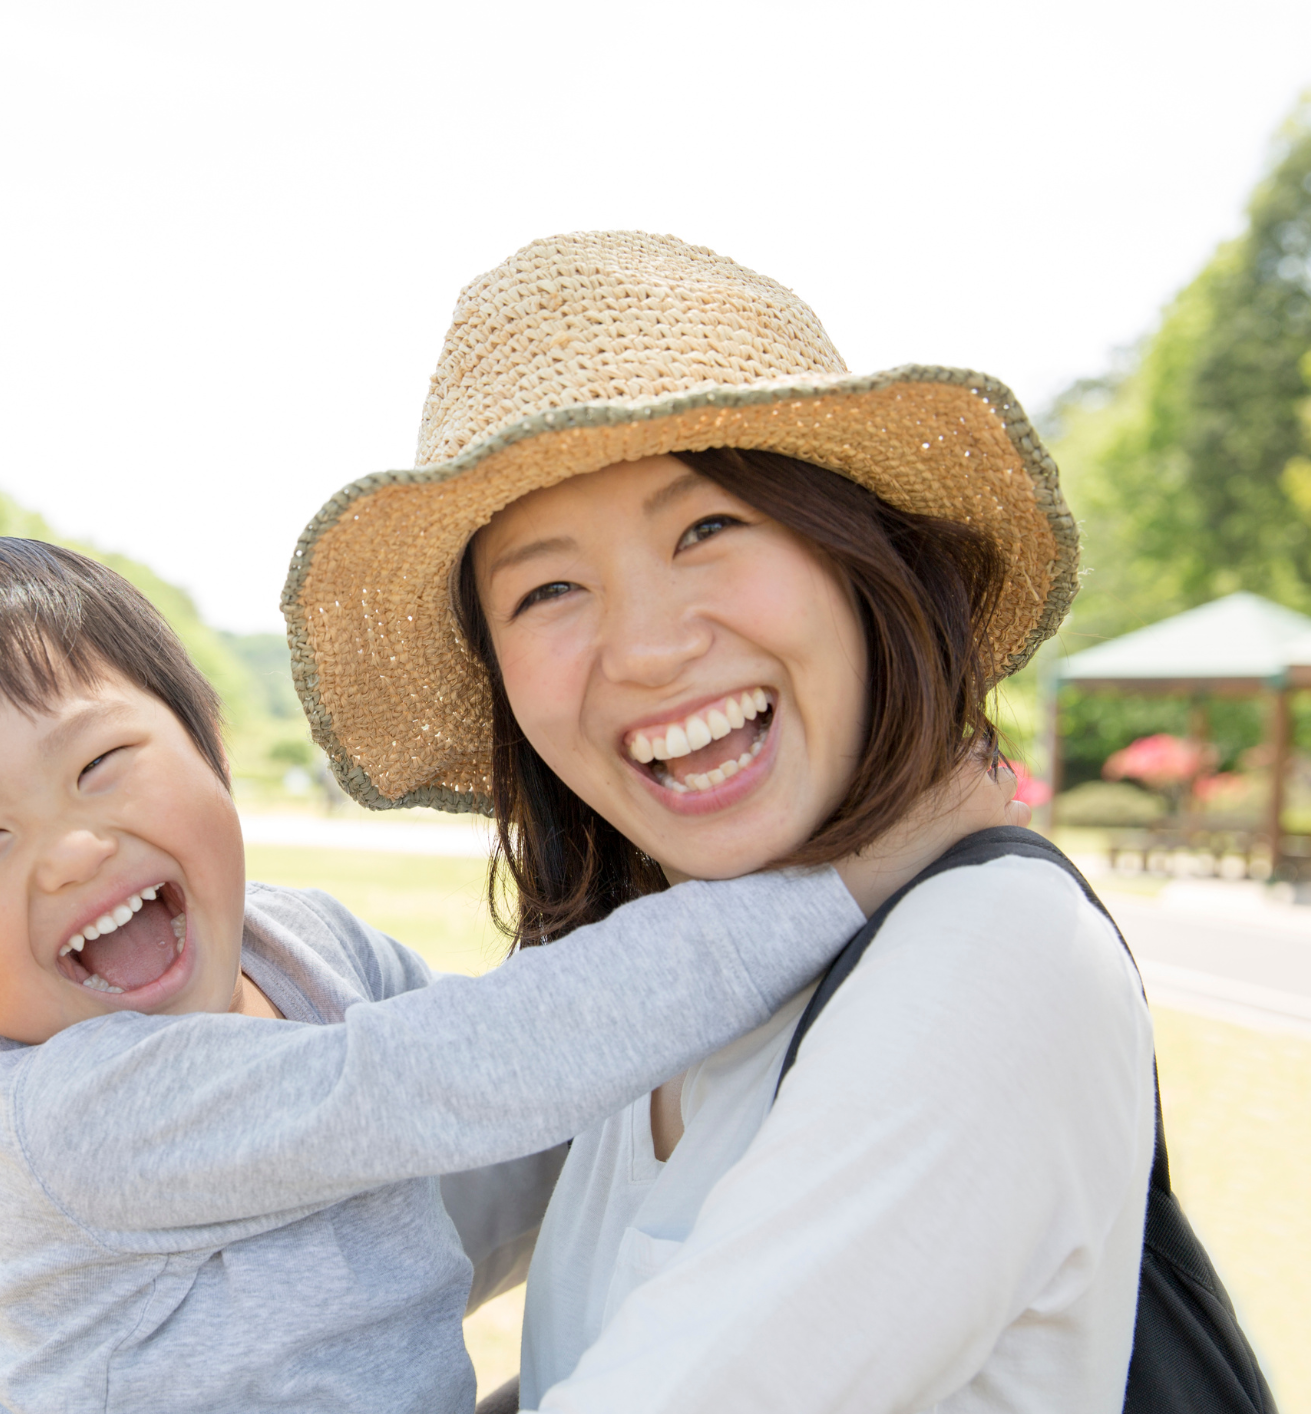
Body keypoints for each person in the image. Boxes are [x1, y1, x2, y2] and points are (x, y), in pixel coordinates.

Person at [0, 535, 1012, 1414]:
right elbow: (455, 1073)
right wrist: (853, 869)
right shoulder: (84, 1115)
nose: (71, 846)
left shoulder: (311, 949)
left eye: (100, 764)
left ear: (209, 743)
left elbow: (513, 1140)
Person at [281, 231, 1159, 1412]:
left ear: (860, 559)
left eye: (707, 529)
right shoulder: (644, 977)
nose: (646, 648)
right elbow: (329, 1265)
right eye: (547, 589)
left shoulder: (995, 952)